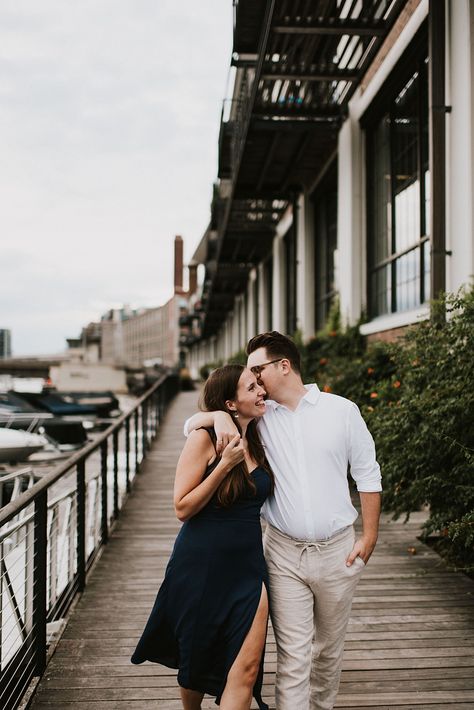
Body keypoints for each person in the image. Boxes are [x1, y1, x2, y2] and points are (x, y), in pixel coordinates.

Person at [185, 331, 382, 710]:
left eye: (258, 371)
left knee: (327, 651)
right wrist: (214, 416)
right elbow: (191, 425)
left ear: (284, 366)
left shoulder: (342, 410)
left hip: (339, 551)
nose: (255, 381)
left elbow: (368, 474)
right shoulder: (260, 417)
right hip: (283, 552)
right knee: (293, 654)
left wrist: (369, 536)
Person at [131, 364, 274, 710]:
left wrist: (214, 418)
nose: (261, 392)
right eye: (252, 388)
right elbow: (182, 507)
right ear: (230, 402)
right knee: (195, 665)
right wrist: (224, 465)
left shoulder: (259, 433)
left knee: (247, 669)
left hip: (249, 569)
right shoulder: (204, 439)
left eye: (259, 385)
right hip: (200, 566)